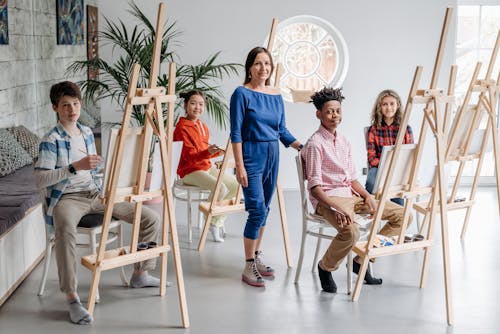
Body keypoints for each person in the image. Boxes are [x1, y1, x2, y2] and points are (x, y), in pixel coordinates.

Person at [35, 81, 161, 325]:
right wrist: (74, 167)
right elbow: (40, 179)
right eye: (65, 105)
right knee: (64, 229)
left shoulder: (86, 132)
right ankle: (72, 298)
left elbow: (92, 170)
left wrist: (101, 167)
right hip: (68, 199)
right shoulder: (50, 140)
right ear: (55, 108)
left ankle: (141, 273)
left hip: (96, 194)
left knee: (149, 218)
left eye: (75, 104)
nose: (72, 109)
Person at [301, 87, 410, 293]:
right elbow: (314, 188)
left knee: (403, 216)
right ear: (319, 114)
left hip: (350, 196)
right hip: (328, 200)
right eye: (329, 111)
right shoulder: (315, 144)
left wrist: (368, 196)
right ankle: (325, 267)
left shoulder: (344, 141)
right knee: (351, 232)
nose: (335, 115)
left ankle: (362, 259)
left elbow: (352, 179)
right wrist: (335, 208)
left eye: (338, 111)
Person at [230, 46, 302, 287]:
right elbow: (236, 132)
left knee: (266, 209)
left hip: (273, 154)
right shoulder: (241, 94)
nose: (263, 68)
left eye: (267, 64)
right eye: (258, 63)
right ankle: (248, 264)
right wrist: (239, 166)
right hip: (251, 155)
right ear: (250, 67)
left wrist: (302, 146)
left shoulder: (275, 94)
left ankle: (256, 256)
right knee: (257, 210)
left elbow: (282, 130)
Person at [173, 90, 239, 242]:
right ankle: (209, 217)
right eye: (193, 103)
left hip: (205, 167)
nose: (197, 107)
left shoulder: (203, 126)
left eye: (201, 104)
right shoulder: (181, 128)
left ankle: (215, 221)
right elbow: (189, 157)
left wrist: (218, 152)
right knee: (220, 188)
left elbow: (203, 153)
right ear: (185, 105)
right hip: (189, 171)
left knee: (236, 185)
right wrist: (208, 153)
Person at [365, 89, 414, 206]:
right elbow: (371, 157)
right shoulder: (373, 129)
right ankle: (372, 211)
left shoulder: (406, 128)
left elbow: (410, 154)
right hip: (379, 167)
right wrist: (385, 166)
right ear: (379, 107)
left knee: (397, 189)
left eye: (392, 104)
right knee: (371, 183)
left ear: (397, 106)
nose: (389, 108)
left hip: (399, 167)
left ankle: (397, 214)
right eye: (384, 104)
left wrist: (396, 167)